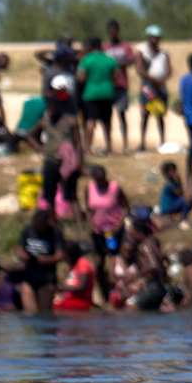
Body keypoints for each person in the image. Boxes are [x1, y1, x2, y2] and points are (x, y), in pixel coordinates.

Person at [32, 79, 83, 226]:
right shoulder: (46, 120)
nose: (51, 110)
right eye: (49, 107)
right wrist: (40, 147)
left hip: (68, 163)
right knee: (50, 193)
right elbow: (31, 134)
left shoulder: (70, 121)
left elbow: (78, 143)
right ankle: (53, 221)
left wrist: (79, 163)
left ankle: (79, 223)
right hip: (51, 161)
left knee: (72, 194)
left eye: (54, 107)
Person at [75, 38, 119, 156]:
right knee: (107, 122)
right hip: (107, 93)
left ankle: (88, 149)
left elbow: (81, 77)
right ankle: (109, 148)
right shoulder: (110, 59)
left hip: (91, 93)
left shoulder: (86, 60)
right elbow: (116, 76)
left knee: (90, 121)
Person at [17, 208, 65, 312]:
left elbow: (60, 255)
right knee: (30, 313)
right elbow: (19, 248)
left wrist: (46, 259)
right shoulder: (28, 230)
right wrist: (23, 255)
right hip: (30, 275)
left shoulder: (54, 232)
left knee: (44, 312)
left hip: (47, 277)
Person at [84, 165, 129, 266]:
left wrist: (118, 225)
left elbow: (126, 207)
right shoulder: (89, 188)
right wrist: (91, 224)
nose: (101, 183)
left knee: (115, 258)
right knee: (99, 260)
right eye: (98, 180)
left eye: (102, 179)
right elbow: (88, 209)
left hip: (113, 231)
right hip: (97, 232)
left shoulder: (114, 187)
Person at [101, 20, 136, 153]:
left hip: (121, 84)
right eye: (111, 30)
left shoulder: (125, 46)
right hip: (108, 85)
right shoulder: (105, 47)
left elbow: (131, 59)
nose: (113, 33)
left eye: (115, 30)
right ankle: (109, 145)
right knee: (107, 117)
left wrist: (120, 64)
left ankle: (125, 144)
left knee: (122, 115)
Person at [136, 26, 171, 151]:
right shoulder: (142, 53)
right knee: (145, 114)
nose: (155, 40)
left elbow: (169, 70)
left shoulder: (163, 54)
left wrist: (161, 80)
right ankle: (142, 142)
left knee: (160, 114)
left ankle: (162, 140)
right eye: (153, 37)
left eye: (157, 38)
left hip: (160, 87)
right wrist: (152, 80)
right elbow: (140, 69)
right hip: (148, 88)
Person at [54, 241, 97, 311]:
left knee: (53, 306)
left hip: (81, 301)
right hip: (71, 300)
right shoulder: (74, 265)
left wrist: (62, 288)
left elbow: (81, 286)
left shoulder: (82, 263)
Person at [157, 161, 190, 226]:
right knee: (186, 200)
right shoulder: (169, 184)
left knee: (188, 199)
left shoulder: (173, 183)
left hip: (171, 204)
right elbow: (179, 193)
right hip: (167, 207)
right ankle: (184, 219)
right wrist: (179, 180)